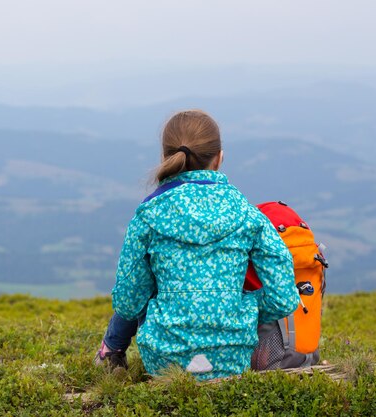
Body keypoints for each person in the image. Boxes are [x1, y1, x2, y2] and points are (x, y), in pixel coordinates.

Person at [94, 110, 300, 380]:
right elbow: (283, 297)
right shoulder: (247, 213)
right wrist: (244, 308)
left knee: (147, 287)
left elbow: (128, 302)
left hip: (165, 361)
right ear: (219, 158)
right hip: (233, 358)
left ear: (166, 157)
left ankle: (109, 354)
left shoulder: (149, 213)